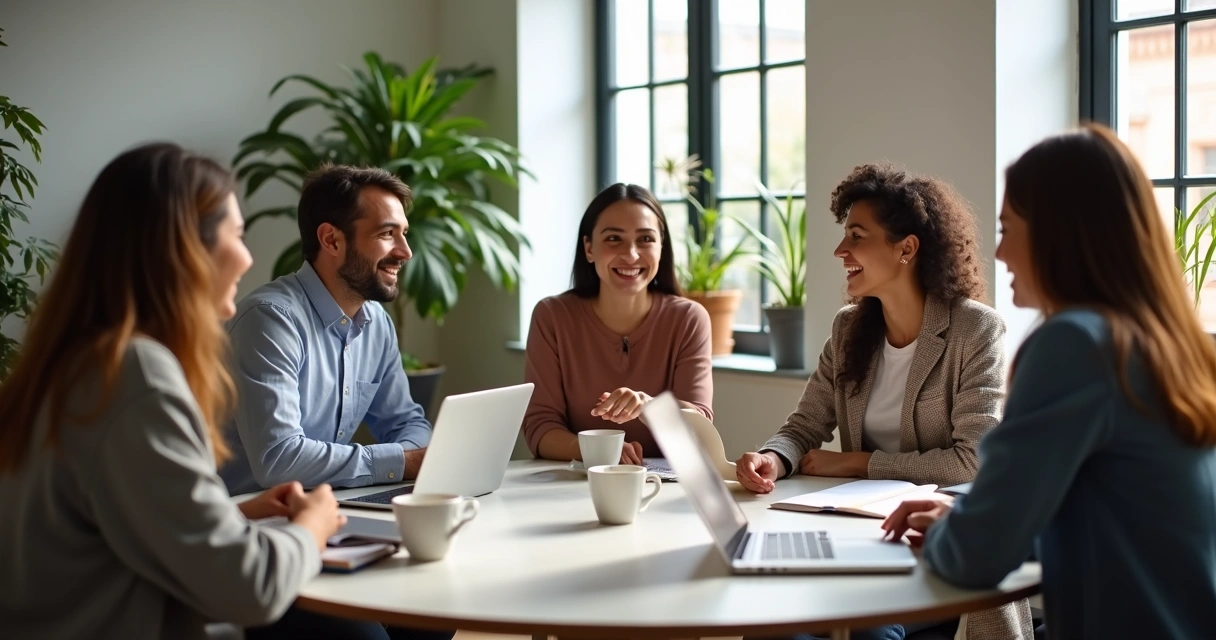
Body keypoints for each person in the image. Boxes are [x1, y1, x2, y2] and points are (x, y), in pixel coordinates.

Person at [884, 125, 1216, 638]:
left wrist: (959, 532)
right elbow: (1105, 513)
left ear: (1062, 234)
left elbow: (975, 558)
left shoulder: (1075, 345)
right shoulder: (1170, 344)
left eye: (1008, 228)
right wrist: (965, 512)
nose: (998, 255)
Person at [0, 143, 343, 639]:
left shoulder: (70, 363)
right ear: (186, 247)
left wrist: (231, 512)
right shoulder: (135, 375)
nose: (247, 258)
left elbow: (104, 520)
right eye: (238, 235)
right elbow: (250, 589)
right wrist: (311, 528)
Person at [737, 164, 1032, 639]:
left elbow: (973, 461)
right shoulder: (848, 327)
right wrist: (774, 457)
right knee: (769, 622)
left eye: (856, 235)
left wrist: (858, 462)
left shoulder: (975, 330)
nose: (840, 251)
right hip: (856, 537)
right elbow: (803, 427)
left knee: (870, 631)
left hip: (927, 546)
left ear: (906, 249)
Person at [220, 164, 432, 496]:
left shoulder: (377, 324)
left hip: (326, 510)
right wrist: (402, 462)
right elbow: (280, 459)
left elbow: (408, 424)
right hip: (247, 522)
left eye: (403, 233)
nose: (405, 252)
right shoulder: (270, 320)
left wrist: (410, 458)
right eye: (387, 234)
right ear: (331, 240)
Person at [523, 183, 713, 464]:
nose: (631, 254)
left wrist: (649, 407)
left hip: (666, 488)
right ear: (589, 248)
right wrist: (596, 451)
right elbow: (540, 428)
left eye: (646, 239)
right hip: (576, 483)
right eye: (614, 238)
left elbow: (701, 429)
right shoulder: (552, 316)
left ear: (662, 247)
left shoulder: (689, 319)